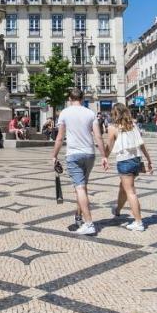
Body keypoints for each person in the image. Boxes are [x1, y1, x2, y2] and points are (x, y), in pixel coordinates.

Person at [50, 88, 108, 235]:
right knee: (82, 186)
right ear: (82, 98)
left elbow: (59, 137)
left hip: (74, 154)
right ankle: (79, 217)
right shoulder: (90, 113)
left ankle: (89, 224)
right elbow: (98, 136)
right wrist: (104, 156)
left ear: (70, 98)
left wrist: (54, 155)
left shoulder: (65, 113)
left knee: (80, 188)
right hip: (89, 154)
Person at [105, 106, 152, 232]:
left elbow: (109, 146)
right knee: (123, 188)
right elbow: (141, 144)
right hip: (136, 160)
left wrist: (104, 157)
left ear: (115, 114)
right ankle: (118, 210)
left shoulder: (112, 128)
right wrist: (148, 160)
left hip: (124, 161)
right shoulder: (133, 125)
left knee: (130, 191)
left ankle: (138, 222)